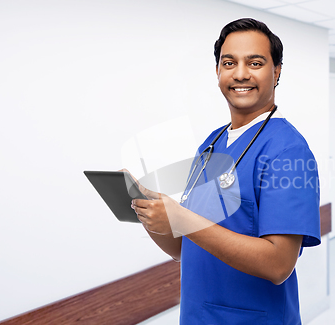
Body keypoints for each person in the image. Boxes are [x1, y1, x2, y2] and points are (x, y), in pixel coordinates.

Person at [130, 18, 321, 325]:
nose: (241, 73)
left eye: (255, 62)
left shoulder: (288, 151)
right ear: (218, 72)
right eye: (229, 62)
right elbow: (186, 247)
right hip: (197, 315)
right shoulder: (212, 143)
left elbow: (278, 264)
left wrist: (182, 219)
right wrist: (153, 216)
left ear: (277, 71)